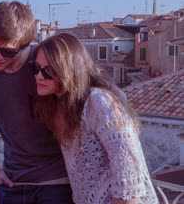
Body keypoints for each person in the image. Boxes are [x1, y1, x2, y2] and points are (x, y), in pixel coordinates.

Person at [31, 33, 158, 204]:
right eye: (36, 68)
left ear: (69, 70)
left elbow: (129, 176)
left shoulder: (98, 101)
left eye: (47, 71)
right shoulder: (60, 105)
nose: (38, 76)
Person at [0, 1, 73, 203]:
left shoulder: (45, 65)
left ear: (25, 45)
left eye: (7, 51)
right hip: (12, 184)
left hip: (56, 184)